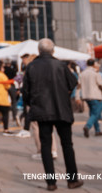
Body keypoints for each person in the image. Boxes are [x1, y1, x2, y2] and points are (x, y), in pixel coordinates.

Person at [22, 39, 83, 191]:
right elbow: (73, 83)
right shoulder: (61, 65)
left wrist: (31, 103)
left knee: (45, 146)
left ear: (39, 50)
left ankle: (51, 182)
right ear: (53, 50)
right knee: (67, 145)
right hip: (61, 109)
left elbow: (25, 91)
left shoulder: (31, 66)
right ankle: (72, 179)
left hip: (42, 110)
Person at [77, 59, 102, 138]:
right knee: (96, 114)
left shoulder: (82, 74)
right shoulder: (95, 73)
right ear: (93, 65)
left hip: (86, 96)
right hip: (96, 96)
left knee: (93, 113)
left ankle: (97, 130)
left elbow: (78, 87)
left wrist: (77, 97)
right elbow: (101, 84)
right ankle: (88, 126)